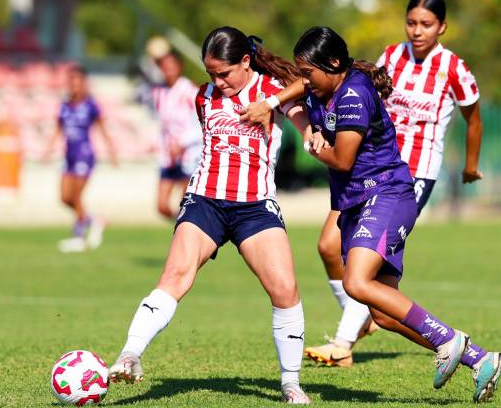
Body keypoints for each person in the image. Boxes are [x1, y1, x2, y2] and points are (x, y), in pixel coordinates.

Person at [296, 26, 501, 403]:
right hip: (359, 203)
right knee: (385, 314)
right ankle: (481, 359)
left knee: (356, 283)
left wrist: (312, 143)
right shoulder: (322, 87)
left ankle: (449, 340)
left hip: (385, 194)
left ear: (333, 64)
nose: (304, 82)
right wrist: (287, 102)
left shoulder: (353, 94)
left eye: (308, 73)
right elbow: (296, 92)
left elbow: (342, 160)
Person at [108, 27, 313, 404]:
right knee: (175, 275)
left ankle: (290, 382)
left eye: (224, 73)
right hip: (206, 200)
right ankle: (129, 354)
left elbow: (307, 83)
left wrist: (295, 122)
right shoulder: (203, 97)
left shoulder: (272, 91)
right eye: (210, 74)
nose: (217, 82)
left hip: (255, 206)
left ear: (246, 61)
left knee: (285, 290)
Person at [42, 66, 118, 252]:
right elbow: (58, 129)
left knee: (76, 197)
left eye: (77, 81)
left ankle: (78, 237)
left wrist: (112, 151)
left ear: (83, 83)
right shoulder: (64, 106)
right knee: (65, 198)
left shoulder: (91, 105)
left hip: (85, 155)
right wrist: (49, 149)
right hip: (69, 156)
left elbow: (102, 128)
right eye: (71, 81)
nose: (73, 85)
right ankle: (95, 221)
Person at [148, 50, 203, 219]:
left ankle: (188, 231)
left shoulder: (189, 90)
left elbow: (202, 124)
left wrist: (183, 142)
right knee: (162, 206)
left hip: (189, 153)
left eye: (171, 66)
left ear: (179, 67)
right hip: (169, 155)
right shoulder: (158, 92)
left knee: (186, 203)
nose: (168, 70)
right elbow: (163, 125)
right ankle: (181, 225)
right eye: (164, 66)